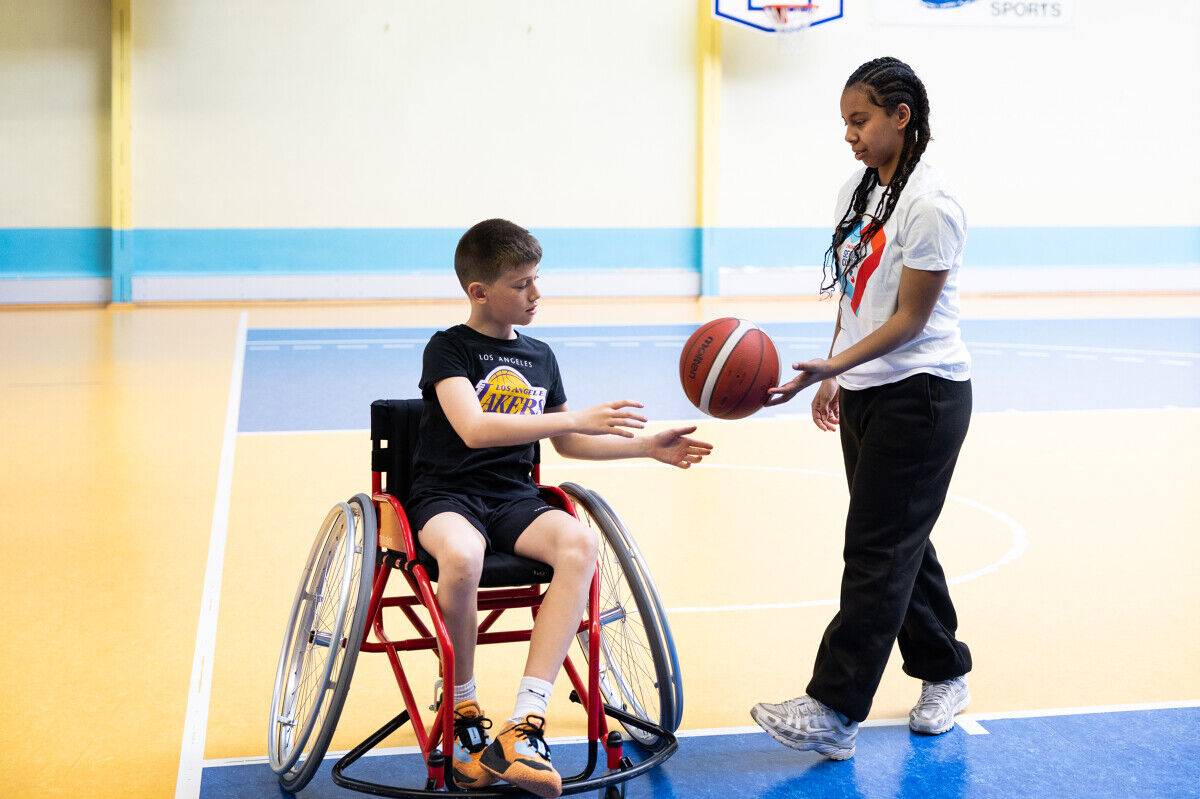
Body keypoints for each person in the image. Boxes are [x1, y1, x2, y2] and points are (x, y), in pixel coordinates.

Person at [407, 218, 713, 796]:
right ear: (480, 293)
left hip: (512, 499)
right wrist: (574, 416)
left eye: (536, 280)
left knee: (579, 544)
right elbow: (472, 428)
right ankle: (464, 706)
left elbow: (570, 443)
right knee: (464, 554)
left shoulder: (541, 355)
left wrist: (648, 446)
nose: (535, 294)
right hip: (447, 495)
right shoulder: (448, 348)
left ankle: (527, 721)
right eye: (521, 285)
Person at [750, 56, 974, 760]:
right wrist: (834, 371)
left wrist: (839, 364)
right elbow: (856, 294)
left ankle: (835, 708)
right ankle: (945, 669)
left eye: (860, 119)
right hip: (868, 389)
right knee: (900, 538)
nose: (849, 134)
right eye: (845, 121)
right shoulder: (860, 189)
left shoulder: (932, 205)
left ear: (900, 117)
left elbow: (909, 318)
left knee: (877, 547)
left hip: (924, 394)